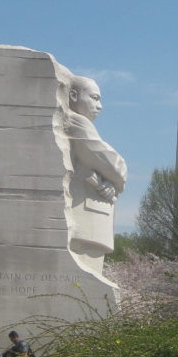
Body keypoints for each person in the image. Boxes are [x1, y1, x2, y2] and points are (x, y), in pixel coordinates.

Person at [66, 75, 127, 274]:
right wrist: (118, 178)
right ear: (73, 95)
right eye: (94, 98)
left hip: (91, 216)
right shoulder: (76, 121)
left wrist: (111, 185)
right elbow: (109, 161)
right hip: (84, 219)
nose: (99, 106)